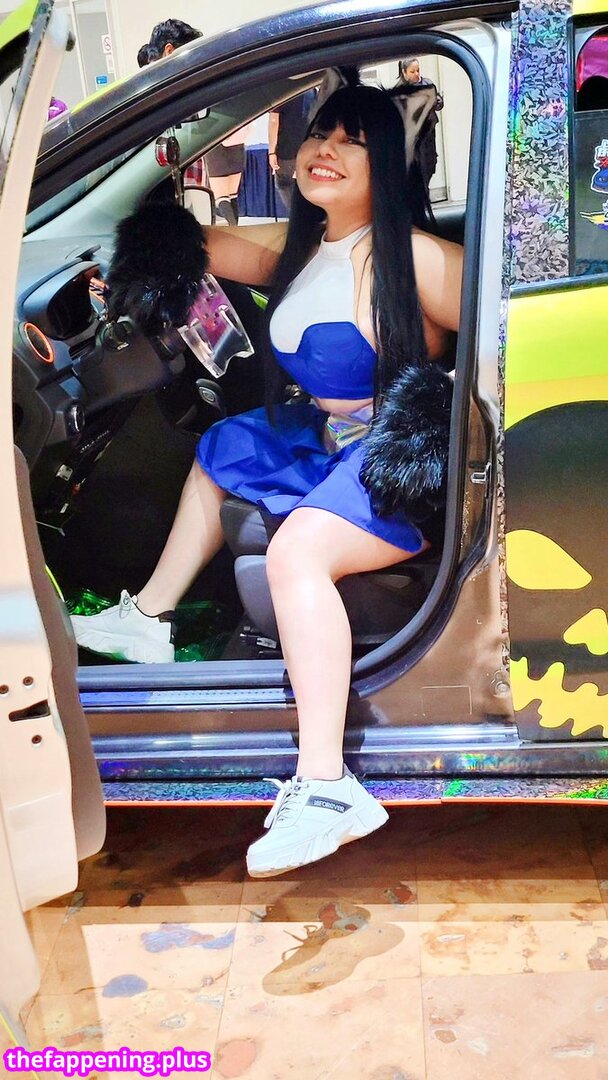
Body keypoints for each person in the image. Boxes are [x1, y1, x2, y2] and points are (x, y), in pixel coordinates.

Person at [71, 76, 463, 877]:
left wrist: (438, 414)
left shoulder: (418, 258)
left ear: (387, 165)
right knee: (226, 442)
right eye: (319, 134)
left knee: (295, 555)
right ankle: (150, 617)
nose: (326, 150)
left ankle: (327, 787)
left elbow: (511, 324)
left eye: (352, 141)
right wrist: (142, 206)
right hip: (325, 436)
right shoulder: (304, 246)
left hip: (394, 454)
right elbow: (196, 243)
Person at [399, 56, 444, 192]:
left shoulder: (427, 83)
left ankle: (425, 188)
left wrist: (437, 101)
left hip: (428, 129)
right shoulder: (401, 89)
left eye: (418, 70)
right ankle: (422, 192)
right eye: (412, 71)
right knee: (419, 164)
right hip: (414, 133)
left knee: (431, 161)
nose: (417, 74)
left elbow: (438, 101)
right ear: (404, 72)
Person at [268, 89, 317, 212]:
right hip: (307, 145)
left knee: (284, 184)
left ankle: (296, 214)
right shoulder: (311, 90)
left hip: (286, 146)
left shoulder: (281, 93)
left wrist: (271, 151)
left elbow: (274, 121)